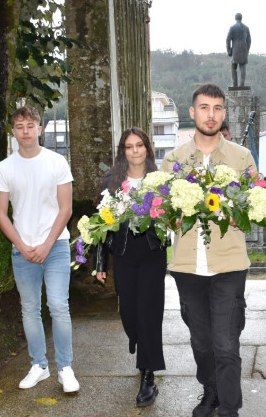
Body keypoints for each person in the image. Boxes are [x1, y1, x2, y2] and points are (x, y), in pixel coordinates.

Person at [161, 83, 256, 417]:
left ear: (224, 114)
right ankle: (211, 391)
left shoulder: (241, 157)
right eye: (204, 107)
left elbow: (253, 213)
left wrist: (235, 213)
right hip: (188, 267)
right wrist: (172, 216)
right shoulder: (173, 162)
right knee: (201, 342)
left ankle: (230, 408)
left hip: (228, 265)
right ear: (192, 112)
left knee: (226, 344)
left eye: (217, 108)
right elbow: (162, 214)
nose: (211, 114)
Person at [0, 105, 79, 393]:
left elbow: (66, 209)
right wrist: (23, 246)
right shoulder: (5, 168)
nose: (26, 131)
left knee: (58, 305)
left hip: (55, 247)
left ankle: (65, 368)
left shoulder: (57, 162)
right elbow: (1, 214)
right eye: (20, 126)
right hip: (23, 251)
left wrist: (46, 244)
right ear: (13, 132)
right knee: (29, 309)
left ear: (39, 129)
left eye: (31, 125)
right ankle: (40, 365)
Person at [93, 127, 167, 407]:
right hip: (123, 253)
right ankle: (141, 344)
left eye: (139, 145)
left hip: (151, 252)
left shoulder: (159, 181)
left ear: (147, 149)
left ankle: (148, 375)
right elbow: (100, 225)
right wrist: (100, 263)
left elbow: (171, 219)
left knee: (148, 311)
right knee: (128, 312)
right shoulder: (111, 181)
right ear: (122, 151)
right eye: (129, 146)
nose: (135, 151)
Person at [226, 13, 251, 88]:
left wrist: (229, 50)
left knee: (234, 65)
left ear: (235, 18)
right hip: (244, 49)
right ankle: (242, 85)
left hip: (235, 49)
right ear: (241, 18)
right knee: (242, 66)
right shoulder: (246, 28)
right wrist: (247, 50)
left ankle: (235, 84)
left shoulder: (232, 27)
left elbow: (228, 40)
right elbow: (249, 40)